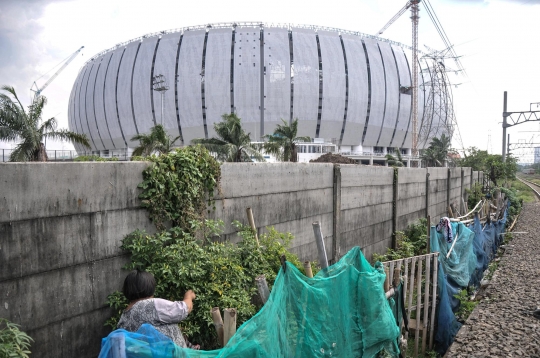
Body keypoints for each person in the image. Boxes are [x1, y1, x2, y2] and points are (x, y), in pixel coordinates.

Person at [117, 270, 200, 349]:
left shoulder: (124, 318)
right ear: (149, 287)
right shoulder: (150, 305)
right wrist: (189, 296)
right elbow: (184, 308)